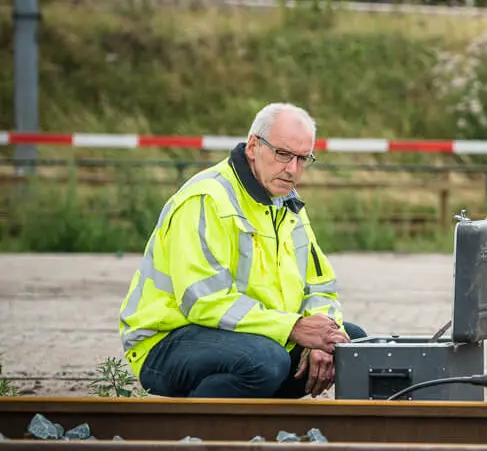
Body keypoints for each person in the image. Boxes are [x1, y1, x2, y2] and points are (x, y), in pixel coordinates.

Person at [117, 102, 366, 398]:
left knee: (352, 344)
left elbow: (320, 286)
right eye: (283, 154)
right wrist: (293, 327)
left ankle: (260, 415)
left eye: (303, 158)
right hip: (167, 341)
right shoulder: (207, 199)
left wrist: (320, 337)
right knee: (263, 362)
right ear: (253, 146)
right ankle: (196, 430)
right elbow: (204, 301)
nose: (293, 170)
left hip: (255, 336)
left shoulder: (287, 203)